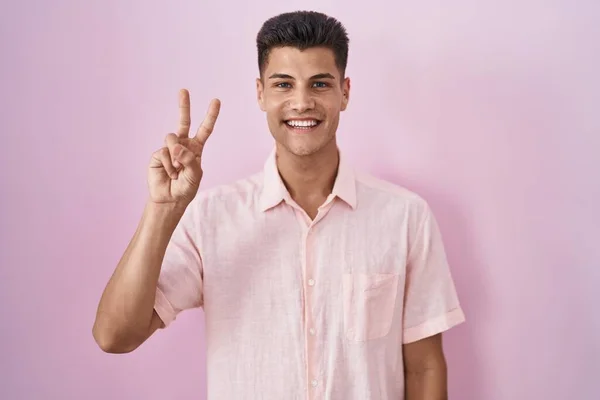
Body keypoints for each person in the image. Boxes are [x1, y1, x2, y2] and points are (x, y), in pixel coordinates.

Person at [93, 10, 465, 400]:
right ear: (260, 93)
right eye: (283, 84)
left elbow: (424, 366)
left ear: (345, 92)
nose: (301, 102)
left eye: (319, 84)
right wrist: (162, 209)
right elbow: (114, 336)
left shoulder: (405, 217)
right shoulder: (211, 218)